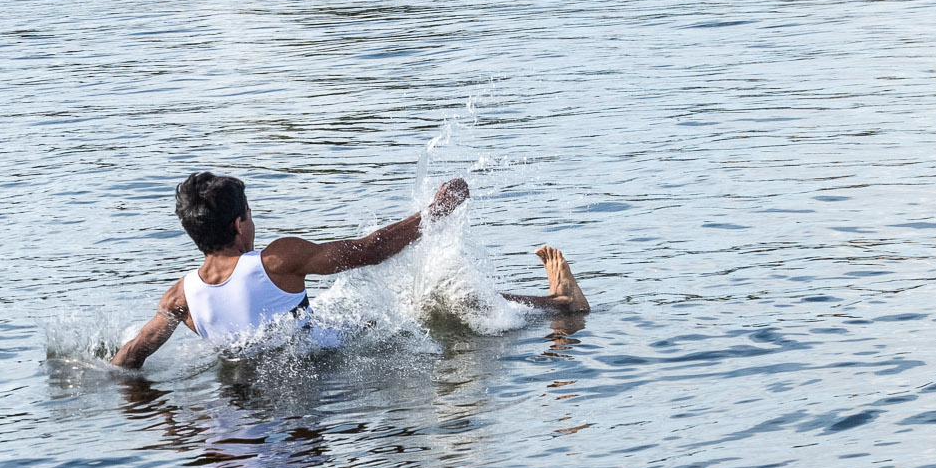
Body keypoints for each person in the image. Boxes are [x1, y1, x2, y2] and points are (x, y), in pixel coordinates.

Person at [110, 171, 591, 370]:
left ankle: (556, 304)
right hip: (331, 358)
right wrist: (434, 211)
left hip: (267, 390)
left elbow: (132, 355)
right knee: (436, 298)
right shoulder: (277, 260)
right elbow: (369, 250)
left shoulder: (181, 297)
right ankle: (560, 305)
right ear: (240, 224)